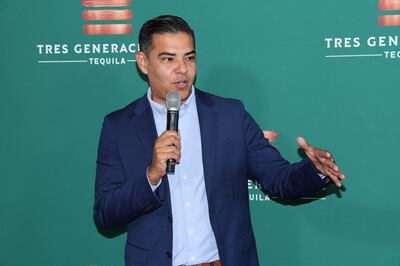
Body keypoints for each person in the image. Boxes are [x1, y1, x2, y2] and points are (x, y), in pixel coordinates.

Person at [94, 15, 345, 266]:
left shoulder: (229, 115)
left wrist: (315, 170)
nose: (182, 69)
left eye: (189, 58)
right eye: (168, 59)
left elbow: (278, 179)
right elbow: (106, 213)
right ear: (143, 62)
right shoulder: (119, 127)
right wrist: (151, 176)